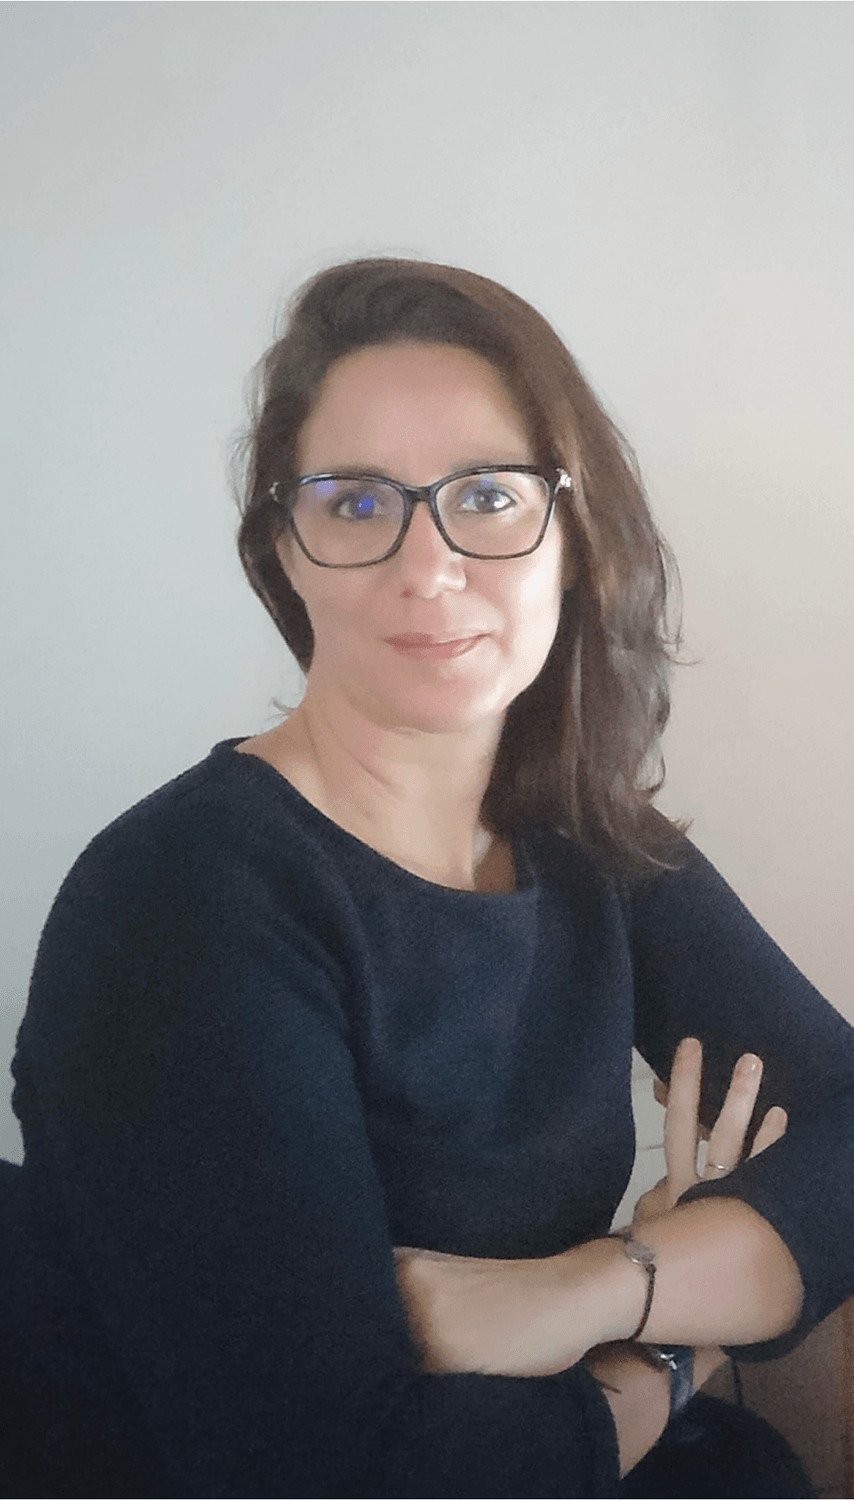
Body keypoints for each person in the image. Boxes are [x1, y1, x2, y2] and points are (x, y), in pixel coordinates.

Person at [5, 257, 853, 1499]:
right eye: (355, 503)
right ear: (284, 552)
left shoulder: (584, 837)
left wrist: (600, 1288)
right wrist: (675, 1354)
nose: (428, 565)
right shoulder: (176, 906)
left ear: (572, 538)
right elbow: (332, 1471)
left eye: (488, 496)